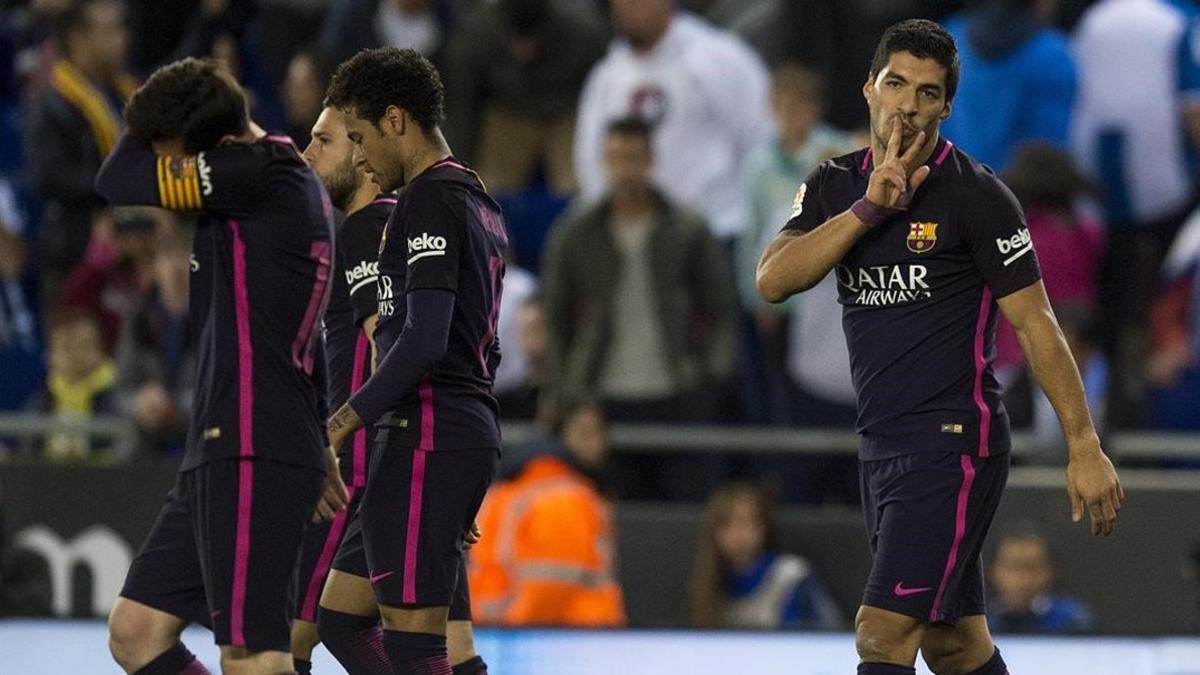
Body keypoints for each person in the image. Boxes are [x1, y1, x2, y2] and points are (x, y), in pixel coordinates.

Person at [755, 20, 1123, 674]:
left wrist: (1083, 443)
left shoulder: (978, 197)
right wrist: (869, 210)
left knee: (882, 634)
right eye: (896, 85)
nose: (908, 105)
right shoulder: (835, 185)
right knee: (953, 644)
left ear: (946, 107)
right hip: (881, 443)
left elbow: (1038, 324)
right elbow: (773, 278)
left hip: (953, 441)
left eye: (927, 93)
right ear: (869, 89)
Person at [96, 58, 342, 675]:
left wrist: (138, 103)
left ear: (219, 149)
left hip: (252, 442)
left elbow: (118, 174)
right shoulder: (266, 179)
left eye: (172, 155)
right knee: (137, 630)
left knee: (251, 654)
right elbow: (302, 332)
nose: (162, 167)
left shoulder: (256, 173)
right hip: (229, 439)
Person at [320, 46, 505, 675]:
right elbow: (487, 343)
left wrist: (341, 424)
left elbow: (423, 340)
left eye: (358, 137)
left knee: (416, 643)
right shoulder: (479, 199)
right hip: (451, 435)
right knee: (343, 619)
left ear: (396, 121)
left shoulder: (428, 199)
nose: (359, 157)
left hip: (427, 433)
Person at [542, 116, 736, 427]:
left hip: (679, 390)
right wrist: (567, 393)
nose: (625, 171)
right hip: (601, 397)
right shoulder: (575, 233)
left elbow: (720, 307)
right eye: (616, 159)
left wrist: (711, 374)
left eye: (633, 159)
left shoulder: (688, 230)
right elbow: (555, 316)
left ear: (650, 161)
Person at [291, 103, 394, 674]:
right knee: (434, 636)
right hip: (374, 464)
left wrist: (335, 443)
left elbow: (390, 349)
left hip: (351, 474)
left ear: (361, 149)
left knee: (296, 636)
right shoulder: (380, 228)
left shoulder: (367, 230)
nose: (308, 155)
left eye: (322, 141)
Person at [574, 0, 771, 246]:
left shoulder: (718, 58)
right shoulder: (606, 77)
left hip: (716, 233)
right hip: (635, 242)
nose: (627, 6)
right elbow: (590, 165)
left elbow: (760, 140)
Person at [739, 62, 859, 427]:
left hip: (823, 294)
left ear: (816, 108)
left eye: (802, 108)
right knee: (780, 385)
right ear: (773, 109)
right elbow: (753, 233)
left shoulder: (838, 154)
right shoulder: (759, 164)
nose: (794, 118)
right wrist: (755, 296)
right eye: (786, 108)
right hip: (779, 295)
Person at [23, 0, 136, 312]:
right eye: (110, 30)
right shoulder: (52, 104)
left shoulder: (126, 93)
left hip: (130, 250)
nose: (122, 39)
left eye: (122, 28)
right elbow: (48, 176)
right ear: (78, 38)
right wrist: (116, 182)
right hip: (74, 255)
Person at [470, 401, 625, 627]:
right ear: (560, 436)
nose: (596, 444)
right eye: (585, 433)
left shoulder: (503, 491)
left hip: (492, 633)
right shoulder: (568, 499)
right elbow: (552, 584)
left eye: (599, 433)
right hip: (569, 639)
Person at [443, 0, 606, 195]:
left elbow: (602, 89)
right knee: (488, 190)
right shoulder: (479, 32)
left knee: (578, 189)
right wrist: (455, 166)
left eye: (532, 40)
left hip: (565, 113)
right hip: (509, 113)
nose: (525, 50)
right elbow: (464, 106)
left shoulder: (582, 30)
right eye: (518, 41)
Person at [941, 0, 1076, 173]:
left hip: (946, 187)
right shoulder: (1053, 57)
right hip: (1019, 193)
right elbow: (1049, 152)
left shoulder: (949, 37)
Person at [688, 482, 843, 630]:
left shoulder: (791, 576)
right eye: (728, 524)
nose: (739, 534)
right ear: (713, 532)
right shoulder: (709, 583)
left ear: (764, 527)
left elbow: (826, 633)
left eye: (748, 523)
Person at [114, 224, 196, 457]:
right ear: (155, 267)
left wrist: (175, 409)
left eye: (186, 258)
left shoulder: (220, 320)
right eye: (168, 258)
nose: (176, 268)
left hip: (204, 444)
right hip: (147, 443)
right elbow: (121, 390)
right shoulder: (138, 318)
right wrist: (139, 403)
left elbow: (227, 394)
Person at [25, 309, 118, 462]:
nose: (74, 356)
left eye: (84, 345)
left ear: (101, 351)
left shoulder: (113, 396)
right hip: (47, 480)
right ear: (49, 355)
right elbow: (28, 446)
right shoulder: (43, 396)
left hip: (103, 480)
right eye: (65, 347)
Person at [987, 528, 1095, 633]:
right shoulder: (978, 621)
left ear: (1050, 572)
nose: (1024, 580)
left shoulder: (1074, 619)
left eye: (1032, 567)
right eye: (1014, 567)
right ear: (993, 571)